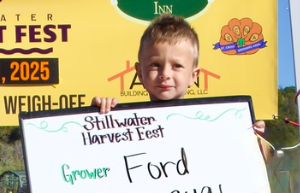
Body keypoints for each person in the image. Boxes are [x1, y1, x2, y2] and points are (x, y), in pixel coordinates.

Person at [91, 14, 274, 161]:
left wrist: (255, 140)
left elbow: (258, 164)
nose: (165, 73)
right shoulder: (122, 126)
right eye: (155, 64)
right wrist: (96, 120)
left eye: (176, 66)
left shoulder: (214, 124)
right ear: (139, 72)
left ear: (193, 76)